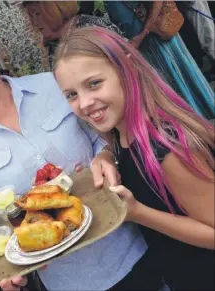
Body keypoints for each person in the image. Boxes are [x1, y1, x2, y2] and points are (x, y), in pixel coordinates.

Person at [0, 10, 165, 291]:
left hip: (127, 246)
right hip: (66, 280)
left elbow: (105, 135)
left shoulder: (52, 85)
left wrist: (105, 155)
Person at [54, 26, 215, 290]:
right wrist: (105, 155)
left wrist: (137, 213)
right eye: (72, 95)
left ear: (126, 69)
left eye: (94, 83)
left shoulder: (166, 146)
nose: (84, 103)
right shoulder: (120, 135)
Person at [105, 1, 215, 120]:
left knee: (181, 79)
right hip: (141, 46)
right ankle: (190, 122)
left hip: (158, 37)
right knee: (168, 89)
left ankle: (200, 119)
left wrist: (143, 33)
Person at [23, 1, 123, 69]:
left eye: (37, 14)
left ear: (57, 9)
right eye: (31, 16)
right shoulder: (55, 43)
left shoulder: (92, 29)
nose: (34, 23)